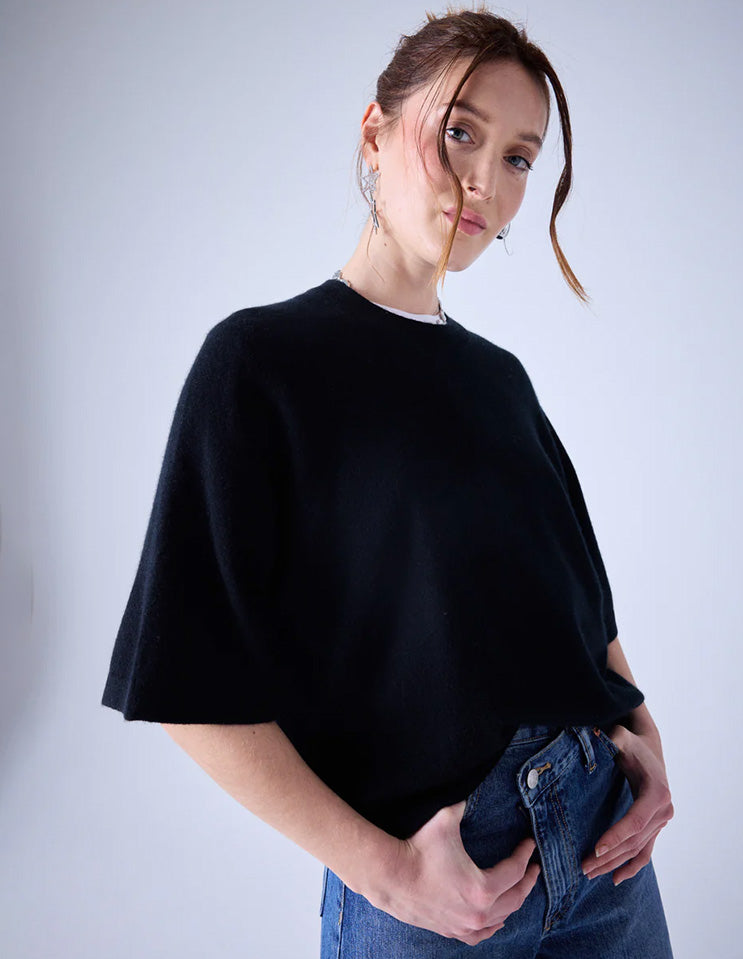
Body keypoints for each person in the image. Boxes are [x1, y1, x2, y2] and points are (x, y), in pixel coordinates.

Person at [100, 6, 675, 956]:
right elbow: (183, 679)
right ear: (374, 132)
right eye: (461, 133)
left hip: (606, 851)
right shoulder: (260, 363)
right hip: (439, 877)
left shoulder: (500, 379)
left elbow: (582, 604)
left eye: (519, 158)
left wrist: (645, 742)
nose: (485, 182)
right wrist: (385, 872)